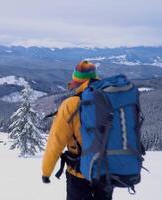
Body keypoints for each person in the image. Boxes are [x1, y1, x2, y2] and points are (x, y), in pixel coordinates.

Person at [41, 61, 114, 200]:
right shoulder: (111, 99)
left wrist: (46, 171)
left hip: (79, 174)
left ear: (77, 80)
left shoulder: (70, 105)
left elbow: (56, 141)